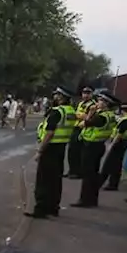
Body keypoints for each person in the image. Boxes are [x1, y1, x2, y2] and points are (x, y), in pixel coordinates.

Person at [26, 87, 76, 219]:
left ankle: (41, 209)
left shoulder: (56, 112)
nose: (55, 97)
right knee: (55, 180)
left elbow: (49, 133)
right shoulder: (71, 111)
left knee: (43, 180)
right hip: (61, 147)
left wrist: (40, 150)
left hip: (50, 148)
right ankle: (54, 207)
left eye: (57, 95)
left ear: (61, 97)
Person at [71, 90, 117, 208]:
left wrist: (91, 112)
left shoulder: (101, 117)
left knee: (87, 174)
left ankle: (85, 200)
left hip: (91, 146)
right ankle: (92, 199)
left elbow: (84, 124)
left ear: (106, 103)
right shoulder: (109, 115)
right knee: (93, 174)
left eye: (101, 101)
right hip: (98, 145)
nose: (98, 102)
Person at [99, 101, 127, 191]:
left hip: (118, 142)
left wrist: (111, 145)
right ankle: (113, 184)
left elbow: (119, 133)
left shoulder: (125, 120)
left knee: (108, 163)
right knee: (117, 164)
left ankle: (99, 182)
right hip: (124, 142)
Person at [66, 86, 96, 178]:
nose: (86, 95)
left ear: (91, 94)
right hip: (76, 127)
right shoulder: (81, 103)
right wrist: (78, 116)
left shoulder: (93, 105)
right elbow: (78, 115)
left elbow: (88, 118)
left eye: (88, 93)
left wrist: (79, 116)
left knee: (78, 151)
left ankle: (77, 172)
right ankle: (72, 170)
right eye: (84, 93)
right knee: (71, 151)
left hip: (83, 129)